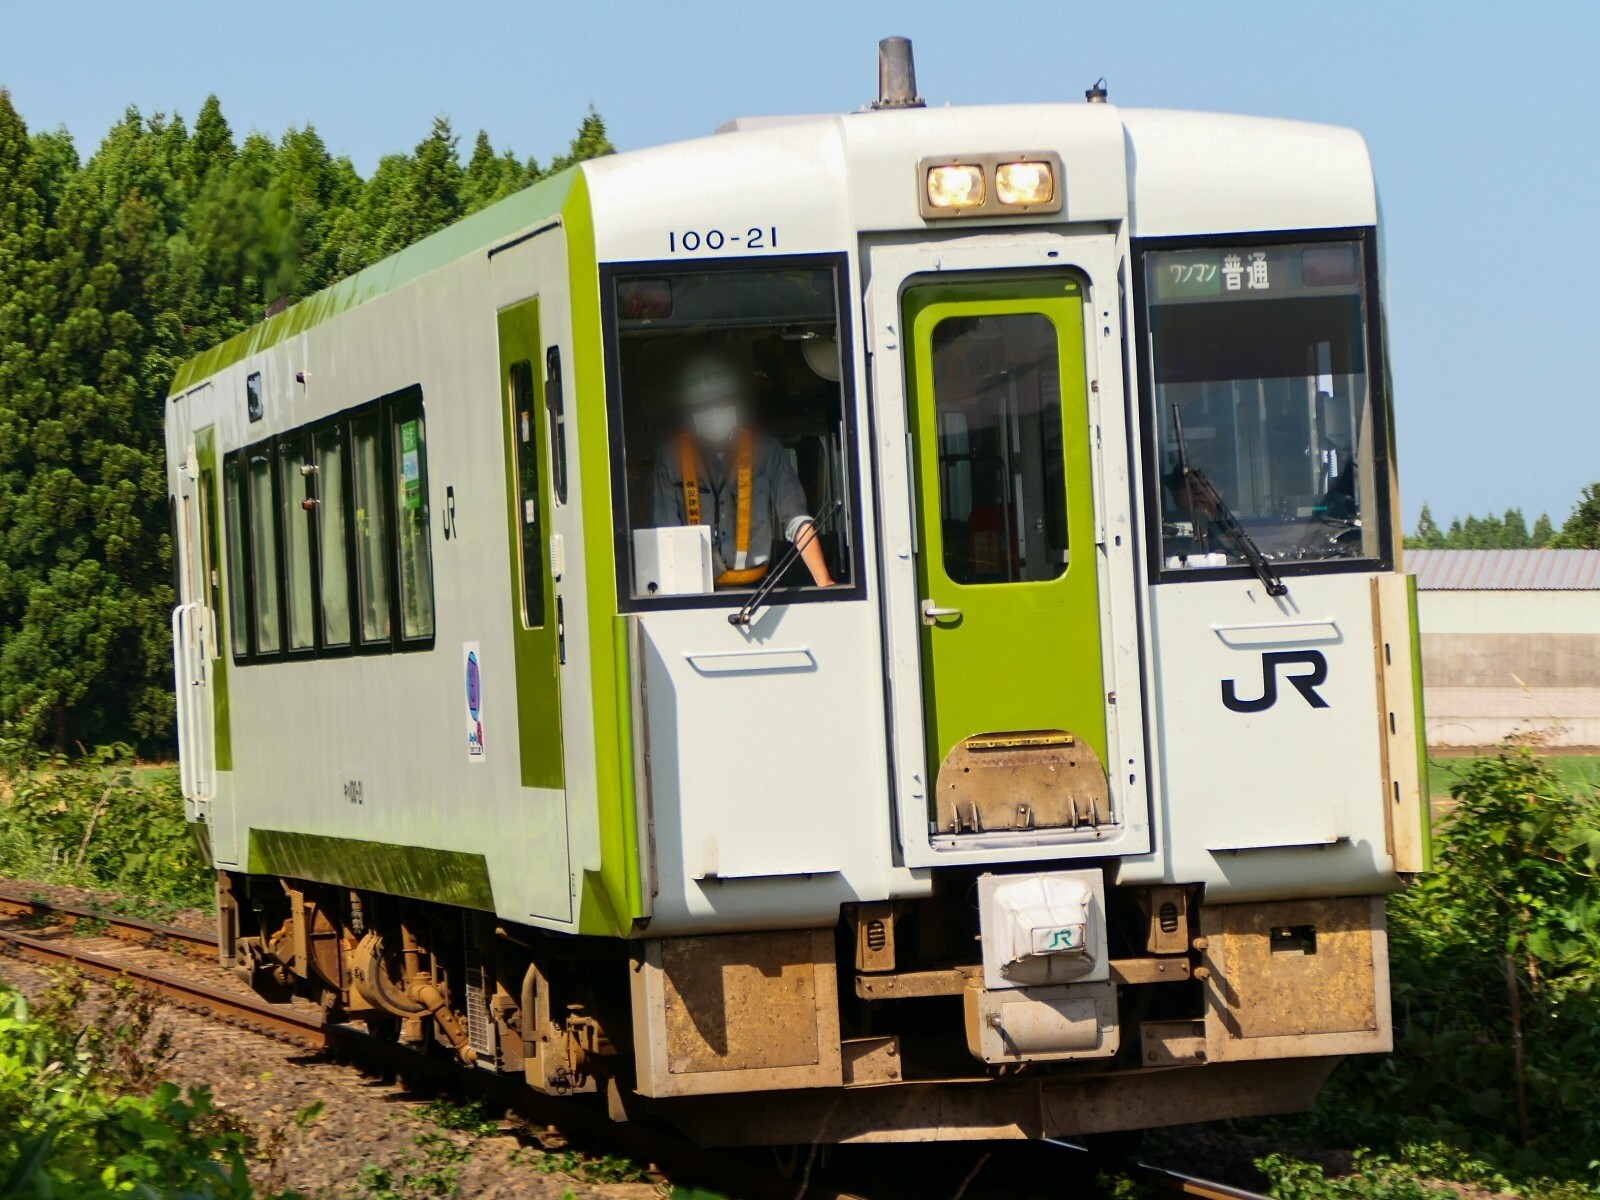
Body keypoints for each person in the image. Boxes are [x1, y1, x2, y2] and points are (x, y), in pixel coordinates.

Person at [651, 352, 834, 588]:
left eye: (722, 401)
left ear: (735, 402)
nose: (715, 412)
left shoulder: (767, 451)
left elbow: (797, 520)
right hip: (693, 589)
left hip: (756, 591)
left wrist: (824, 582)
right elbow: (666, 535)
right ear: (690, 412)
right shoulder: (671, 458)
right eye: (705, 406)